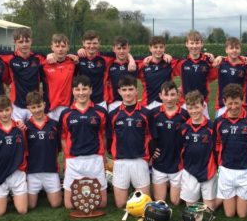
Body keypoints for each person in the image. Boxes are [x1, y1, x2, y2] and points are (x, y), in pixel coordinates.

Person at [59, 75, 108, 209]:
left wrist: (102, 156)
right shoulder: (66, 113)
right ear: (73, 91)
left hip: (95, 159)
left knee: (101, 204)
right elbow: (63, 137)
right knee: (69, 206)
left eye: (84, 89)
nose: (81, 93)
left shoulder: (100, 112)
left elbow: (103, 136)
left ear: (90, 90)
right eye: (77, 89)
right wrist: (68, 156)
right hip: (74, 160)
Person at [213, 84, 247, 218]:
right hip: (226, 170)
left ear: (243, 100)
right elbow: (216, 147)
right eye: (230, 103)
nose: (233, 107)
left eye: (236, 103)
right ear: (224, 102)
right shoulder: (219, 122)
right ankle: (230, 197)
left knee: (242, 214)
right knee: (229, 214)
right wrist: (219, 166)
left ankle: (245, 198)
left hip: (245, 170)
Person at [107, 75, 152, 208]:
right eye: (124, 90)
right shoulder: (113, 114)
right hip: (120, 161)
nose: (128, 93)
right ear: (119, 91)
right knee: (121, 204)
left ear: (136, 91)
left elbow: (151, 136)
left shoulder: (146, 113)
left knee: (144, 204)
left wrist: (149, 156)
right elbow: (109, 138)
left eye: (130, 89)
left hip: (140, 160)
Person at [149, 81, 189, 205]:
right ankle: (162, 184)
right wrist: (151, 151)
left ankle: (173, 185)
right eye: (166, 95)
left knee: (175, 201)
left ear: (178, 95)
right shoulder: (154, 114)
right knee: (160, 201)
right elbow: (148, 136)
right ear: (160, 96)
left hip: (177, 164)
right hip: (159, 163)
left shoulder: (184, 115)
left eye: (172, 95)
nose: (169, 98)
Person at [0, 95, 28, 216]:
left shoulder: (21, 128)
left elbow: (26, 149)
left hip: (17, 173)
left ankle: (14, 195)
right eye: (0, 111)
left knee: (22, 210)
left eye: (7, 110)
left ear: (12, 109)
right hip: (0, 175)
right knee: (0, 213)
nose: (4, 114)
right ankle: (7, 196)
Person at [24, 91, 63, 209]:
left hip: (50, 170)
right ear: (28, 108)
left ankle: (47, 189)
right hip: (32, 172)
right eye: (33, 107)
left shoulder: (54, 124)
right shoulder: (25, 127)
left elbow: (59, 147)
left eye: (39, 106)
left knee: (56, 204)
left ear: (44, 104)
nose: (37, 110)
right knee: (30, 206)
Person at [179, 90, 217, 208]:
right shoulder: (184, 128)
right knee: (190, 208)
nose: (194, 111)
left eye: (196, 107)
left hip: (208, 170)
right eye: (190, 108)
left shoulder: (212, 127)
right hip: (190, 169)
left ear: (203, 106)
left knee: (209, 209)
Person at [172, 30, 217, 116]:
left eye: (197, 43)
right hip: (185, 103)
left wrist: (214, 60)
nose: (194, 46)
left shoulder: (208, 62)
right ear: (187, 44)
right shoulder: (182, 63)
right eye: (192, 43)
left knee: (204, 129)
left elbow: (212, 77)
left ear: (202, 44)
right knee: (185, 128)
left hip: (202, 103)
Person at [41, 33, 78, 121]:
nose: (60, 49)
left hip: (67, 108)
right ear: (52, 47)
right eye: (57, 46)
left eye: (63, 46)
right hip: (50, 109)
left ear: (68, 47)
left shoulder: (73, 63)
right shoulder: (44, 65)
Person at [213, 37, 247, 117]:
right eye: (231, 48)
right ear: (226, 50)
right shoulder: (220, 63)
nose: (234, 50)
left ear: (240, 50)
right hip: (222, 104)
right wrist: (219, 57)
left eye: (237, 48)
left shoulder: (245, 65)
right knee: (220, 128)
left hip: (239, 104)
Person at [139, 36, 179, 109]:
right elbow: (125, 60)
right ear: (150, 48)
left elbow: (187, 60)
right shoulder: (144, 64)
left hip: (166, 103)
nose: (158, 50)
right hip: (148, 104)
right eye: (155, 47)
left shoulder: (170, 62)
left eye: (161, 47)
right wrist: (130, 58)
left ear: (164, 48)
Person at [105, 36, 140, 112]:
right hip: (113, 104)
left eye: (124, 48)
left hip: (132, 103)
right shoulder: (109, 64)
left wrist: (165, 55)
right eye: (119, 48)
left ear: (128, 48)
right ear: (114, 49)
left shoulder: (136, 63)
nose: (121, 51)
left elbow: (153, 57)